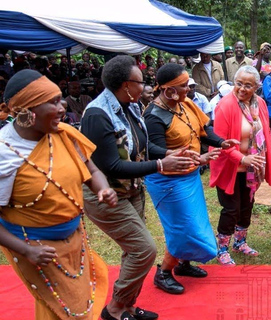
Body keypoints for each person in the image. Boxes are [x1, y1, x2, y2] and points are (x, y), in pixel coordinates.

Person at [81, 55, 193, 320]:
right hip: (106, 194)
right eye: (140, 82)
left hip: (131, 190)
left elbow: (138, 148)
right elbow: (112, 166)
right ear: (124, 84)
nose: (145, 87)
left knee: (133, 250)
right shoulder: (98, 115)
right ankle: (114, 309)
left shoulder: (129, 106)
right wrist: (161, 166)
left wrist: (170, 153)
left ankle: (128, 306)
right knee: (144, 249)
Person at [0, 69, 117, 320]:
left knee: (65, 308)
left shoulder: (63, 133)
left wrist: (103, 188)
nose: (63, 106)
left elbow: (91, 168)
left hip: (75, 239)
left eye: (60, 98)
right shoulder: (4, 154)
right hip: (34, 248)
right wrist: (26, 250)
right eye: (53, 101)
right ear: (26, 113)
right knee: (71, 312)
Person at [142, 63, 239, 294]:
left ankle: (183, 264)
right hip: (168, 182)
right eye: (184, 85)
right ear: (168, 91)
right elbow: (154, 150)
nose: (189, 89)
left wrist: (221, 142)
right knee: (183, 229)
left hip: (190, 177)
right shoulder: (153, 116)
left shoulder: (186, 104)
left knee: (193, 224)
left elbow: (206, 129)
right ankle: (163, 273)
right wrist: (200, 158)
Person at [210, 65, 271, 265]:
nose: (242, 89)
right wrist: (242, 158)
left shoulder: (259, 103)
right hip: (231, 167)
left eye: (248, 85)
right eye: (239, 84)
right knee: (231, 209)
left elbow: (267, 135)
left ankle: (240, 242)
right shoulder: (225, 106)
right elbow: (220, 141)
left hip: (252, 168)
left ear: (256, 87)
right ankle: (222, 248)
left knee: (247, 206)